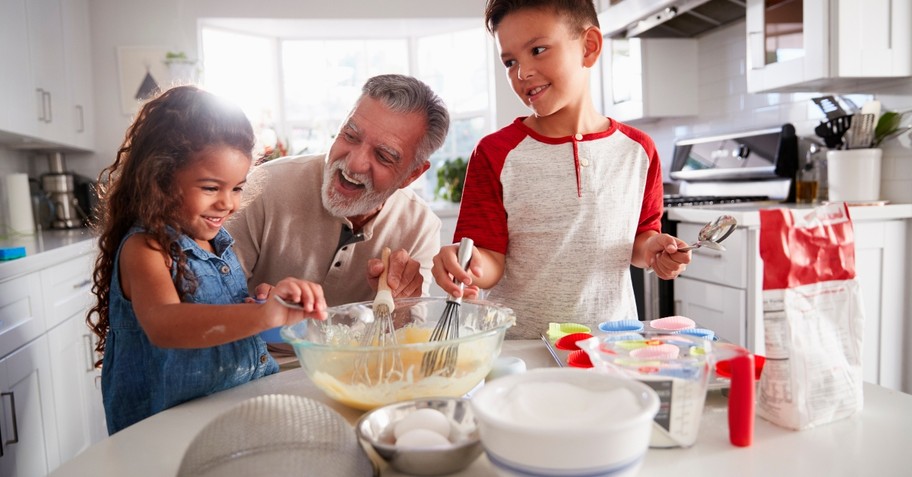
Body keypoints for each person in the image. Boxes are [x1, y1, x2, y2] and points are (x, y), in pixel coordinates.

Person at [431, 0, 691, 339]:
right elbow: (490, 261)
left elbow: (640, 238)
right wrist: (468, 265)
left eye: (538, 50)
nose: (522, 73)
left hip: (610, 344)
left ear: (589, 47)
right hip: (521, 348)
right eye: (510, 62)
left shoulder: (639, 151)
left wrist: (655, 249)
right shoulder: (494, 153)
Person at [86, 86, 327, 434]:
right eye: (212, 188)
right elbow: (165, 323)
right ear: (161, 180)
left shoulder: (219, 244)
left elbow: (219, 318)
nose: (227, 203)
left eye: (237, 188)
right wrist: (259, 314)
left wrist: (263, 305)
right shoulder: (146, 249)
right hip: (166, 433)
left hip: (233, 415)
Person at [226, 74, 450, 336]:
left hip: (358, 370)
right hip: (259, 364)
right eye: (351, 135)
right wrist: (262, 315)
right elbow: (206, 305)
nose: (354, 164)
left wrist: (400, 307)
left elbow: (405, 338)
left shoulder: (420, 227)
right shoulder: (262, 187)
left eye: (383, 156)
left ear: (412, 175)